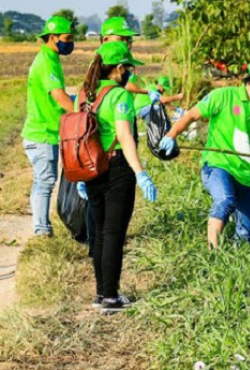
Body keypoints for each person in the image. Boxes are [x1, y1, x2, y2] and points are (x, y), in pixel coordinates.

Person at [159, 56, 250, 249]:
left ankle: (235, 261)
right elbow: (192, 115)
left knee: (249, 229)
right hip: (217, 165)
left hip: (243, 173)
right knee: (225, 200)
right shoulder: (224, 96)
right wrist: (171, 135)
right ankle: (213, 255)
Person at [74, 42, 158, 313]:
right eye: (129, 68)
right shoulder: (119, 96)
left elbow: (76, 134)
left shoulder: (84, 94)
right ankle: (110, 297)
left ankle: (102, 293)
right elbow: (124, 136)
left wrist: (78, 177)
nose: (131, 73)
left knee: (99, 233)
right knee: (113, 234)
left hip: (90, 167)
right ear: (119, 68)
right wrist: (141, 172)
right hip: (117, 166)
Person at [21, 16, 76, 237]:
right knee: (45, 181)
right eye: (67, 38)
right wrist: (81, 113)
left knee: (43, 180)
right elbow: (58, 95)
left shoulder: (50, 58)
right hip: (42, 133)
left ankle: (41, 227)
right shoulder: (46, 61)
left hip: (46, 132)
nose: (70, 42)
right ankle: (41, 229)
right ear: (52, 37)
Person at [101, 16, 161, 104]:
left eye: (128, 40)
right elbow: (125, 85)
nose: (126, 44)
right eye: (121, 39)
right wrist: (148, 92)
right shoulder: (102, 63)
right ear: (105, 40)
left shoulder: (125, 60)